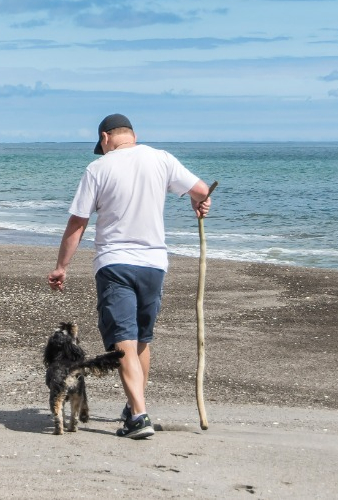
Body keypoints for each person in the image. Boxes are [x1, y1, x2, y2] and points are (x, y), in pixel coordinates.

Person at [47, 113, 211, 439]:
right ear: (132, 135)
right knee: (140, 340)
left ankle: (138, 415)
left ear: (106, 138)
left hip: (115, 263)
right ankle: (135, 407)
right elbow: (202, 189)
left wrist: (62, 266)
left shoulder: (98, 168)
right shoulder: (161, 159)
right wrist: (199, 203)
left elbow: (78, 222)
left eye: (102, 144)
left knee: (124, 338)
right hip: (154, 265)